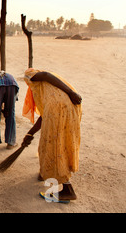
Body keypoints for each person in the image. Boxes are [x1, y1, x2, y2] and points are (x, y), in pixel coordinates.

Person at [21, 68, 82, 202]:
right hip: (70, 108)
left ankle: (68, 190)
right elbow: (44, 116)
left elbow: (46, 75)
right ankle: (45, 173)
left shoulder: (32, 76)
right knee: (62, 144)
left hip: (59, 109)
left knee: (53, 147)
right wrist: (29, 134)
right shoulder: (50, 90)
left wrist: (71, 92)